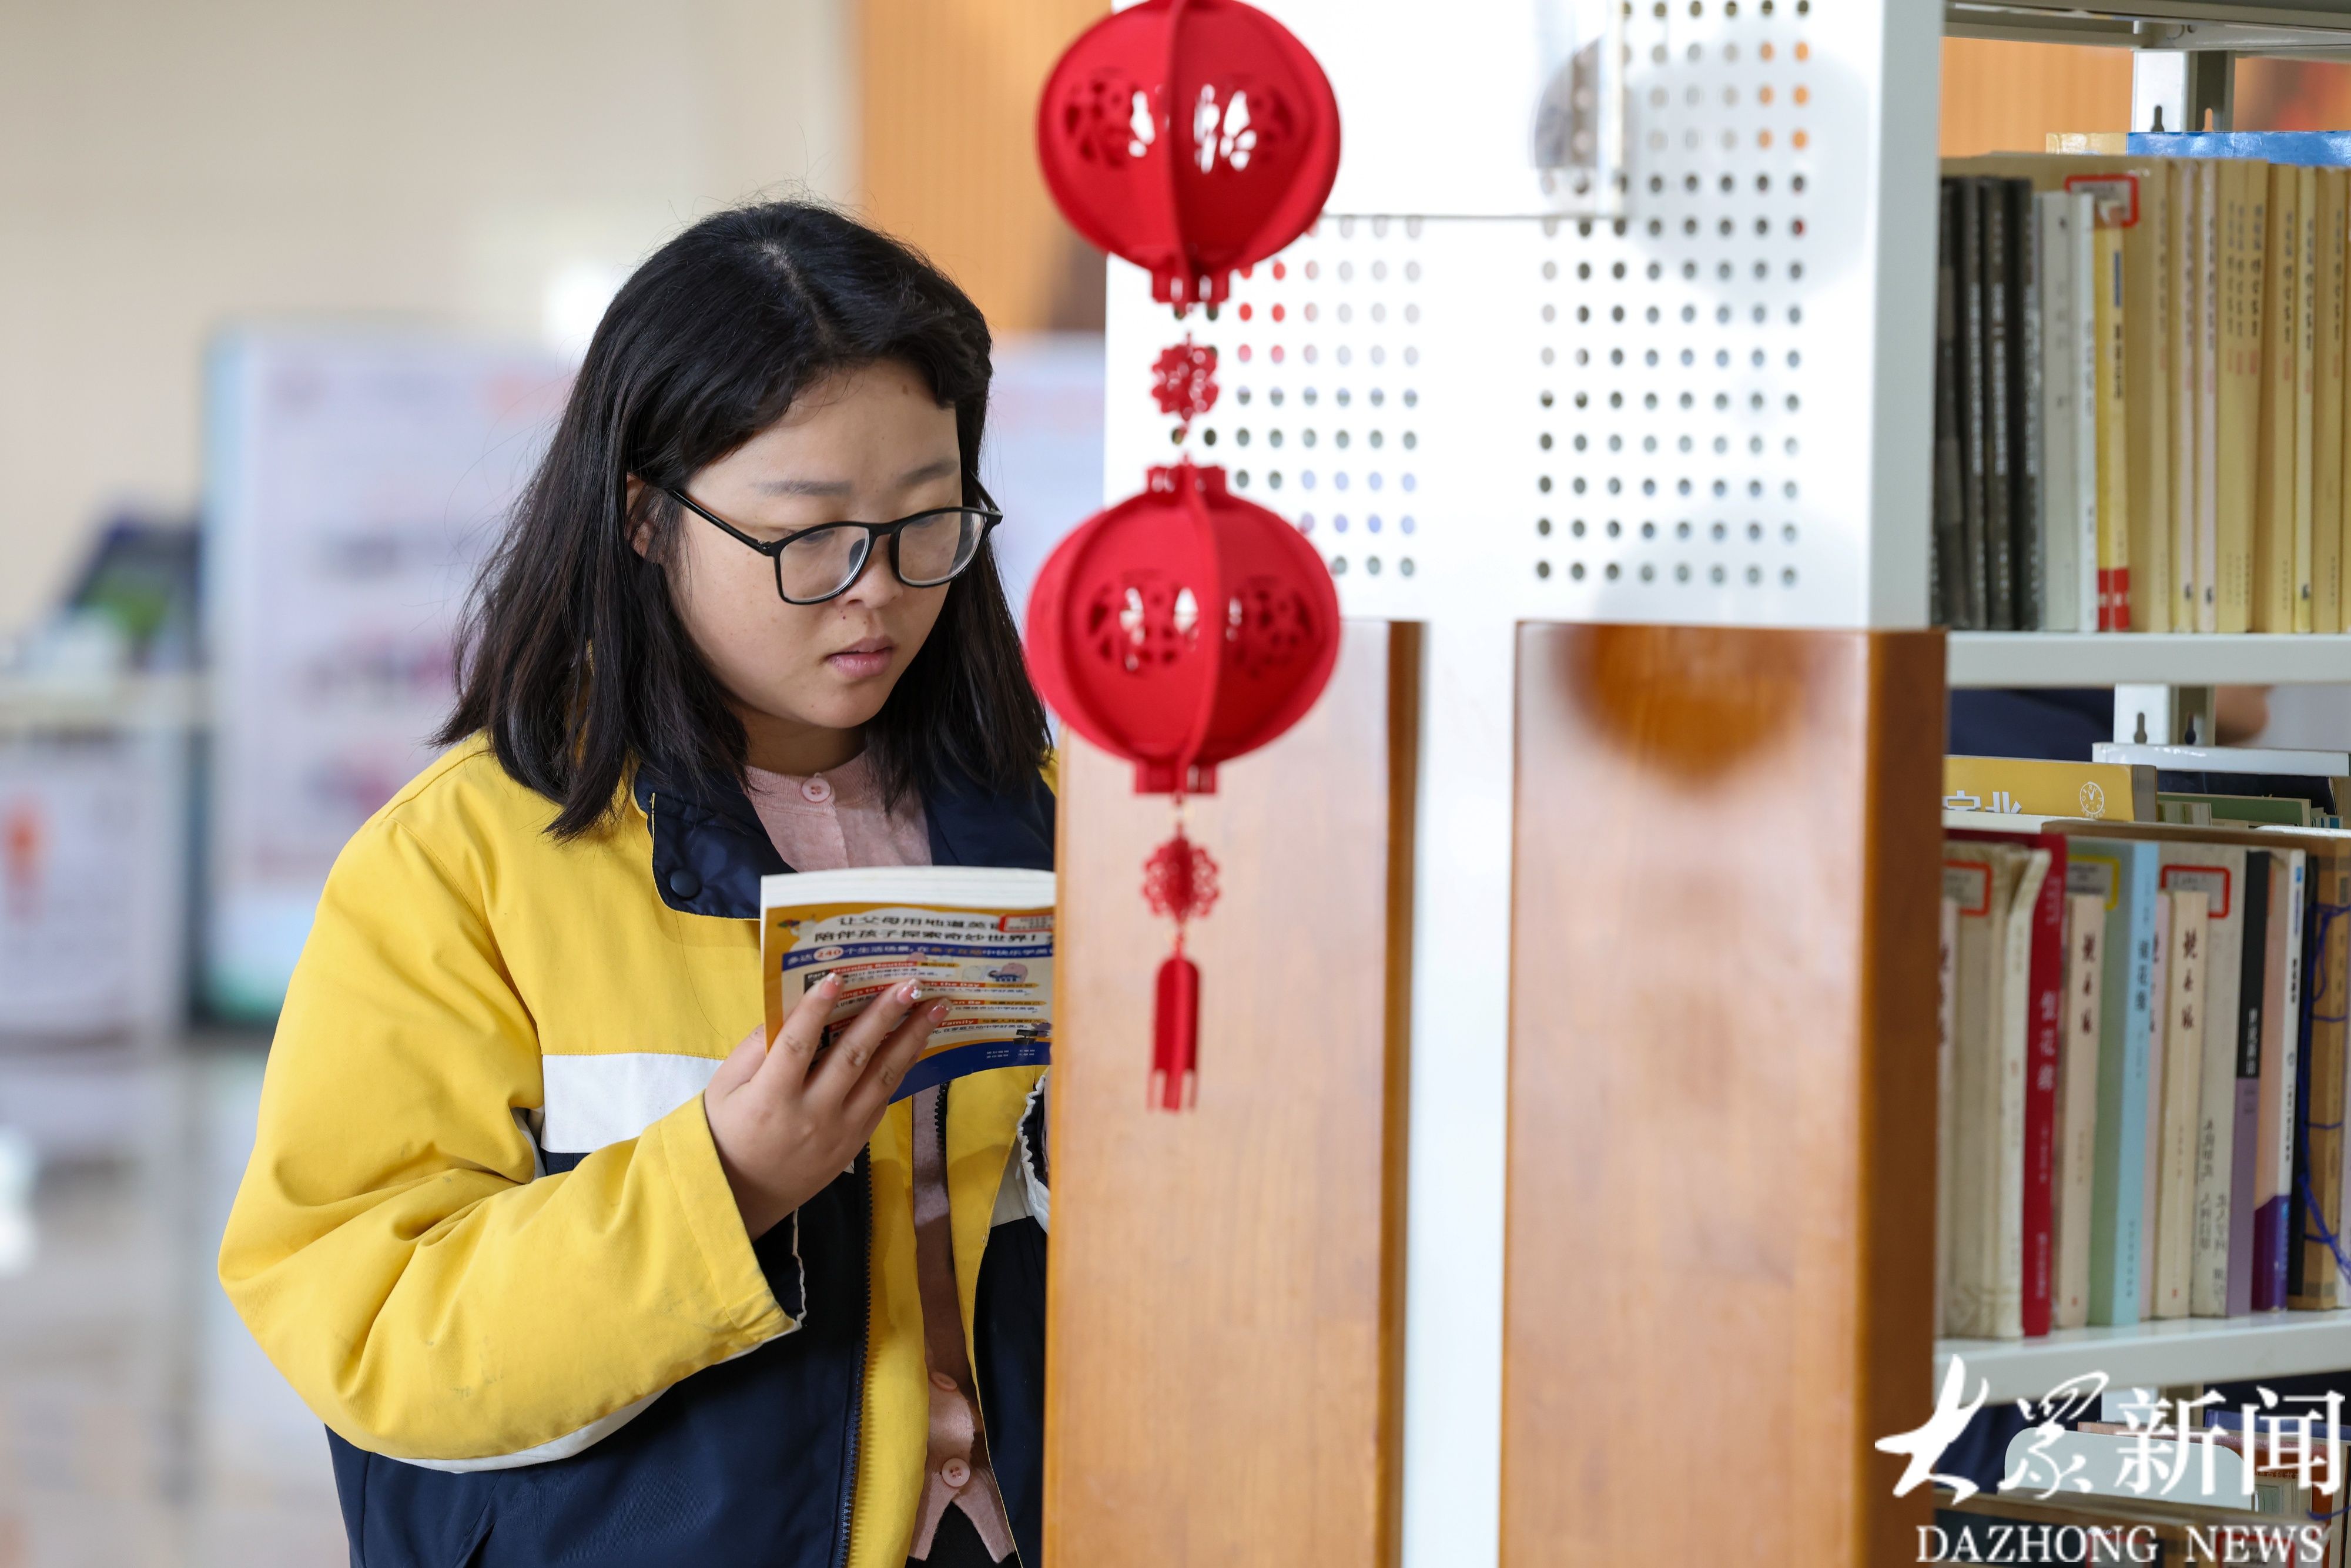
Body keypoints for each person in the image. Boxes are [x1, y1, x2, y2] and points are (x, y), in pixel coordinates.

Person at [217, 202, 1057, 1568]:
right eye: (810, 534)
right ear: (645, 518)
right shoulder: (463, 862)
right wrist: (724, 1185)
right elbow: (368, 1323)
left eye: (925, 521)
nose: (877, 591)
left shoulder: (1062, 821)